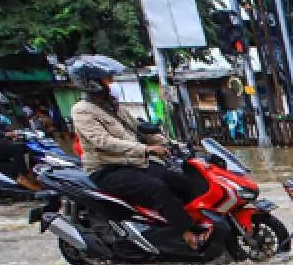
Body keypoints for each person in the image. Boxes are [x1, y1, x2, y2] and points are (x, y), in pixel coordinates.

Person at [68, 55, 203, 247]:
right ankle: (187, 234)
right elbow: (102, 141)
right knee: (157, 189)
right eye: (108, 79)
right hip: (107, 169)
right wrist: (146, 149)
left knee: (179, 180)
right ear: (92, 83)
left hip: (133, 163)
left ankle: (193, 220)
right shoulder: (82, 110)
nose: (112, 82)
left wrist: (173, 144)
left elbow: (139, 130)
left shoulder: (114, 106)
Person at [0, 89, 40, 190]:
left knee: (26, 146)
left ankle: (31, 174)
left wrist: (15, 133)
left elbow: (0, 125)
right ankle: (22, 176)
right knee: (17, 149)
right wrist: (4, 134)